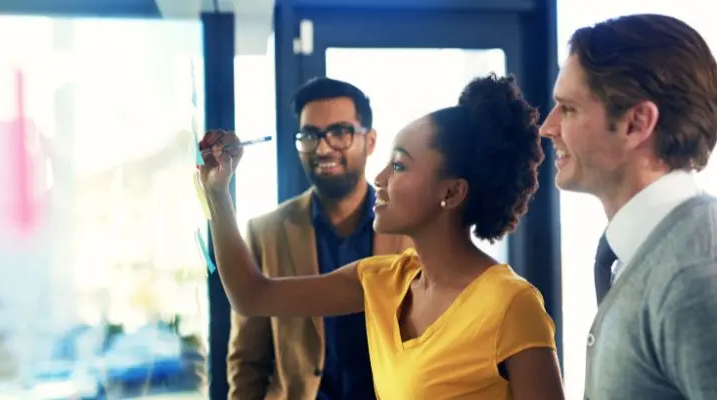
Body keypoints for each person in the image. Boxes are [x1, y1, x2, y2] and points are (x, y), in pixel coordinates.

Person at [205, 73, 564, 399]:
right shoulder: (384, 280)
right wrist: (219, 192)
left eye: (399, 165)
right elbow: (253, 296)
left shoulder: (512, 304)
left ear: (452, 193)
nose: (379, 179)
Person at [540, 13, 717, 400]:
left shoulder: (695, 272)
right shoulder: (645, 253)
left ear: (637, 123)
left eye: (568, 109)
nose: (547, 127)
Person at [226, 77, 412, 400]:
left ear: (369, 142)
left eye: (340, 133)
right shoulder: (266, 232)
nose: (323, 148)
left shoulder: (411, 230)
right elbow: (247, 361)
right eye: (310, 135)